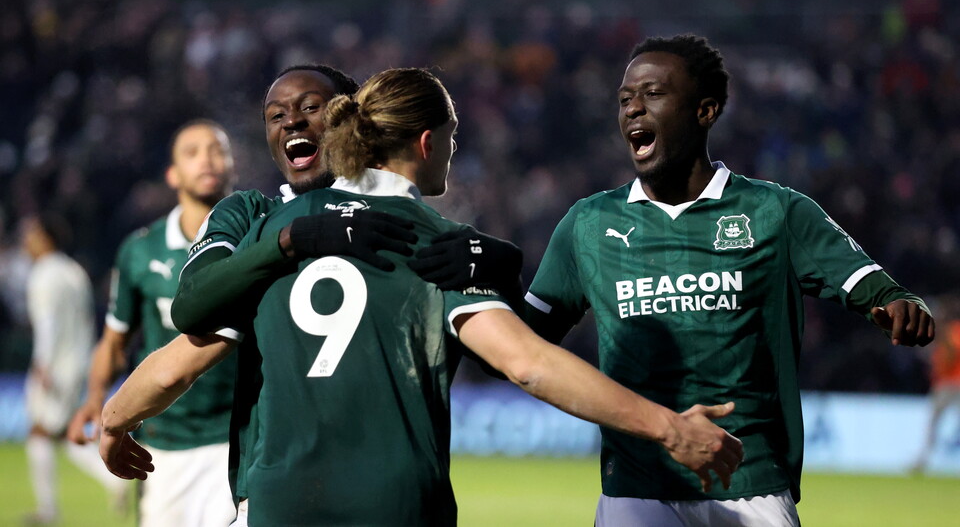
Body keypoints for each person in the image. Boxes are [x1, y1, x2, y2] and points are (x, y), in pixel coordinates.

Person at [98, 67, 744, 526]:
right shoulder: (439, 242)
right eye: (453, 139)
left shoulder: (271, 229)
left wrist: (113, 419)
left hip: (280, 501)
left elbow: (184, 355)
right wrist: (667, 427)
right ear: (429, 142)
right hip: (399, 503)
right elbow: (528, 363)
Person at [521, 33, 936, 527]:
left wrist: (900, 306)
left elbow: (880, 292)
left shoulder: (776, 212)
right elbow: (521, 344)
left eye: (653, 94)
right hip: (638, 489)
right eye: (625, 99)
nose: (633, 109)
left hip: (752, 485)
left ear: (705, 111)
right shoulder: (587, 224)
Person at [66, 119, 239, 527]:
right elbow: (114, 341)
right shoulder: (140, 250)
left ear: (233, 164)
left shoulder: (258, 238)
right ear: (173, 174)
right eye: (192, 152)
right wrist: (95, 398)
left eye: (217, 150)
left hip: (241, 440)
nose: (207, 160)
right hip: (163, 445)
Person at [20, 213, 127, 525]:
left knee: (39, 433)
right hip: (80, 362)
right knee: (69, 434)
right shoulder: (74, 271)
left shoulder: (43, 273)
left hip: (54, 364)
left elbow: (47, 324)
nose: (27, 240)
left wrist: (42, 363)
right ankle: (113, 479)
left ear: (46, 239)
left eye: (33, 233)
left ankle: (47, 511)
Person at [912, 295, 960, 474]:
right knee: (933, 422)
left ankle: (922, 459)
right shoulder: (943, 334)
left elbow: (951, 355)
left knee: (935, 422)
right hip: (944, 385)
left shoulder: (953, 331)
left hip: (954, 385)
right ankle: (923, 459)